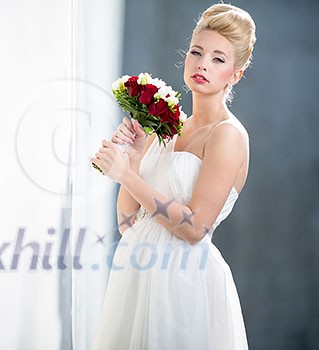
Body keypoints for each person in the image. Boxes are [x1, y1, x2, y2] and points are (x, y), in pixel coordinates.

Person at [91, 3, 256, 349]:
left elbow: (196, 228)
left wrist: (126, 174)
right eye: (196, 52)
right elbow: (127, 223)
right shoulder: (166, 126)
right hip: (138, 273)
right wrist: (134, 159)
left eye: (218, 59)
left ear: (235, 74)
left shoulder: (228, 135)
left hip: (184, 280)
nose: (202, 64)